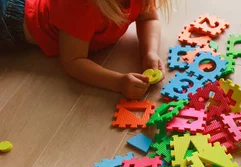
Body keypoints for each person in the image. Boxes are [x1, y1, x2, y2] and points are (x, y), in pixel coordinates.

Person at [0, 0, 170, 99]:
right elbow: (73, 61)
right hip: (8, 22)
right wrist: (118, 82)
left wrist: (150, 51)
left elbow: (148, 17)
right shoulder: (81, 5)